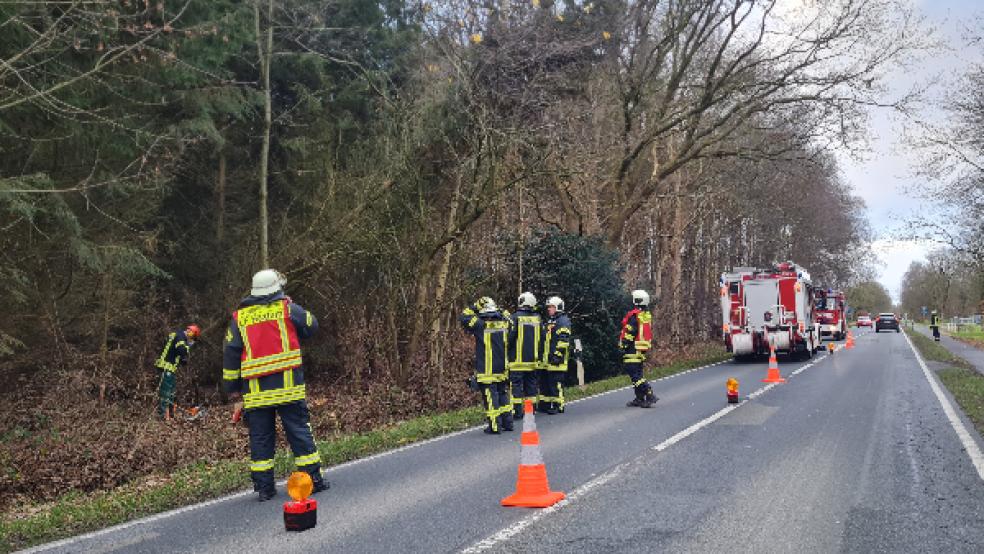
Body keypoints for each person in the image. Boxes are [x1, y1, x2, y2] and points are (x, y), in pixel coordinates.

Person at [222, 269, 328, 501]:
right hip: (288, 389)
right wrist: (293, 306)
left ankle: (264, 488)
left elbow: (231, 354)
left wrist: (232, 389)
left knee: (260, 438)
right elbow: (312, 325)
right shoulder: (287, 309)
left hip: (256, 394)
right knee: (299, 433)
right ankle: (314, 480)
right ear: (276, 289)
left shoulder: (240, 318)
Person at [460, 296, 513, 434]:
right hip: (502, 367)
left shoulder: (480, 325)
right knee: (502, 394)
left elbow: (464, 316)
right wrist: (499, 309)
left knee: (490, 397)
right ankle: (508, 423)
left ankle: (495, 426)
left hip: (487, 368)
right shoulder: (505, 323)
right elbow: (510, 317)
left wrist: (475, 306)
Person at [508, 292, 543, 419]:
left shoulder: (515, 317)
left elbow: (510, 338)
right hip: (532, 361)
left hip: (517, 362)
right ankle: (530, 410)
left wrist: (506, 350)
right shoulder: (537, 318)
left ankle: (517, 412)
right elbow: (542, 338)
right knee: (531, 387)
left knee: (516, 387)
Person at [154, 324, 200, 420]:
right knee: (165, 393)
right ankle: (164, 417)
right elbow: (181, 350)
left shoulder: (176, 335)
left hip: (168, 367)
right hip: (166, 367)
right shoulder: (181, 337)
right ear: (191, 333)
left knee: (171, 393)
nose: (192, 340)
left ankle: (170, 415)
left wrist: (181, 360)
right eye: (193, 338)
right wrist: (188, 347)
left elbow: (173, 350)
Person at [621, 289, 657, 408]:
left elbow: (630, 331)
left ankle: (649, 393)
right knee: (638, 373)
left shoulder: (635, 315)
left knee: (634, 374)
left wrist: (624, 344)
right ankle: (639, 398)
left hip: (632, 348)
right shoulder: (645, 315)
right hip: (641, 348)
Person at [539, 296, 571, 415]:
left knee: (556, 384)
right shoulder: (551, 321)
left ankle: (559, 405)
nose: (549, 309)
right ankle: (545, 405)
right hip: (548, 360)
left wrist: (557, 356)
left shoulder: (563, 321)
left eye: (551, 307)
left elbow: (563, 341)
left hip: (557, 360)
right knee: (546, 384)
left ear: (557, 307)